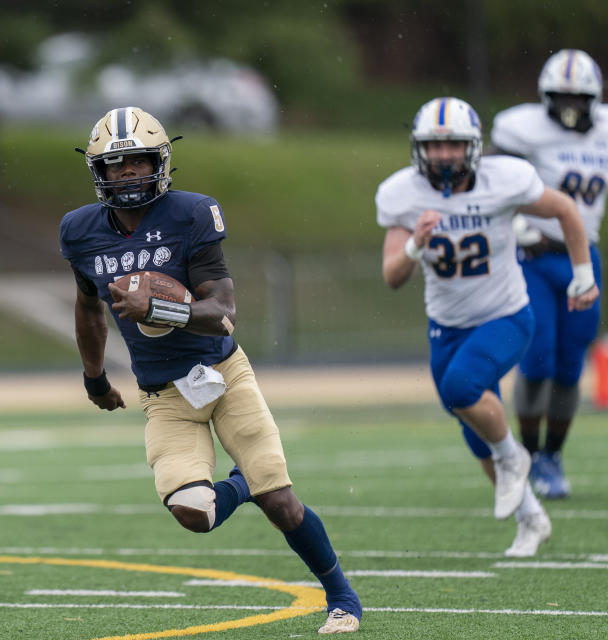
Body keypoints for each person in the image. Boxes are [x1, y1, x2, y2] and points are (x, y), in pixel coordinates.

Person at [60, 106, 362, 634]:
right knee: (192, 511)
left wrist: (158, 309)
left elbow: (222, 314)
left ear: (161, 162)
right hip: (164, 396)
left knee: (282, 501)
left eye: (138, 160)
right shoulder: (80, 231)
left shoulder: (190, 214)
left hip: (222, 376)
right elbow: (88, 308)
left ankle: (342, 596)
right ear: (98, 172)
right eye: (117, 164)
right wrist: (95, 378)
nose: (129, 172)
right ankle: (242, 486)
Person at [376, 97, 599, 557]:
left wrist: (583, 275)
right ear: (418, 149)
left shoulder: (505, 180)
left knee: (462, 387)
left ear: (473, 146)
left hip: (506, 315)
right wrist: (416, 245)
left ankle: (517, 457)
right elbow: (392, 277)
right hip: (447, 325)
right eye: (433, 147)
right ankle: (531, 517)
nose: (442, 156)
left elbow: (566, 211)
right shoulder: (402, 193)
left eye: (453, 145)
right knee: (471, 427)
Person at [490, 49, 607, 499]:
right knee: (536, 357)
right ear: (545, 97)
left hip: (582, 255)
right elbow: (492, 181)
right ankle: (530, 452)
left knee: (568, 365)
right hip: (532, 255)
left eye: (579, 98)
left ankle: (551, 457)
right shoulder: (523, 128)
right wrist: (519, 228)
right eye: (562, 97)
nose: (571, 106)